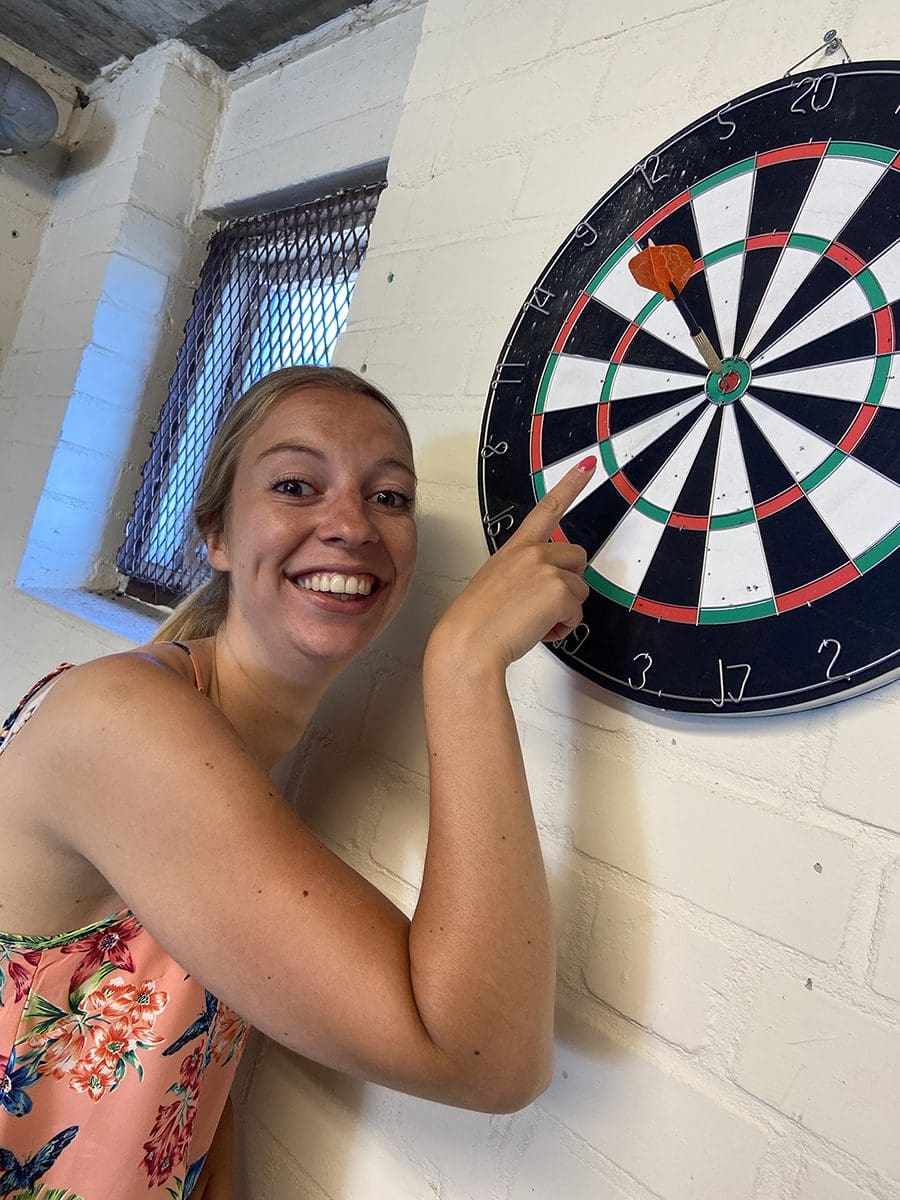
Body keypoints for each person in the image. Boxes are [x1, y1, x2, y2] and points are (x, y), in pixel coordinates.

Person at [0, 364, 594, 1199]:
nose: (351, 525)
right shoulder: (123, 721)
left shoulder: (216, 744)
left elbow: (182, 1068)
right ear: (215, 534)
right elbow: (487, 1057)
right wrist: (465, 665)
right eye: (294, 485)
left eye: (389, 496)